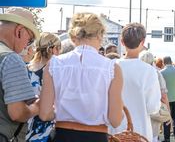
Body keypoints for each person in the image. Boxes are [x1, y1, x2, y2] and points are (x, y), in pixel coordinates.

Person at [39, 12, 124, 142]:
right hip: (96, 136)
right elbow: (116, 120)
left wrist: (63, 113)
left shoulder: (54, 64)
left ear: (72, 37)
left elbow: (45, 114)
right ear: (100, 35)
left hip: (62, 135)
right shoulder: (112, 68)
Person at [110, 23, 160, 142]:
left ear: (122, 42)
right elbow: (153, 108)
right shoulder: (149, 71)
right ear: (142, 42)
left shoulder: (110, 66)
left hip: (114, 131)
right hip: (140, 132)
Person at [0, 7, 40, 140]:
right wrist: (35, 108)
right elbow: (17, 113)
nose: (26, 46)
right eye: (29, 40)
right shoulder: (10, 58)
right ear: (19, 31)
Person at [26, 32, 62, 142]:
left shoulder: (24, 69)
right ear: (54, 49)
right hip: (46, 129)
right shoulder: (54, 72)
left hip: (25, 126)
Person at [139, 51, 169, 142]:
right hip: (153, 112)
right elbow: (163, 96)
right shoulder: (156, 73)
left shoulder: (136, 72)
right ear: (152, 62)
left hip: (137, 112)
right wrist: (168, 113)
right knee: (152, 137)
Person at [160, 56, 175, 142]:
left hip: (166, 97)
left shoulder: (161, 72)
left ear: (164, 62)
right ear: (171, 61)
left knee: (166, 117)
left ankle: (167, 138)